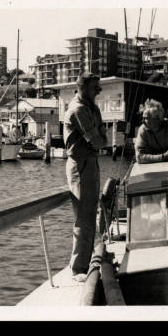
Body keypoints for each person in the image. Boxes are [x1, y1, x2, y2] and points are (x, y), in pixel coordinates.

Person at [63, 72, 107, 282]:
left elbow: (102, 140)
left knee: (90, 215)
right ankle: (78, 268)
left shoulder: (92, 107)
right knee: (84, 216)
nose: (99, 90)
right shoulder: (79, 109)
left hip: (90, 163)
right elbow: (98, 141)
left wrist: (99, 137)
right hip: (80, 165)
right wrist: (98, 136)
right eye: (94, 87)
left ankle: (85, 262)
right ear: (82, 88)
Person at [134, 99, 168, 164]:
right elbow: (139, 157)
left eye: (146, 118)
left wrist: (151, 158)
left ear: (158, 119)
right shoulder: (142, 130)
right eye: (143, 117)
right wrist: (162, 157)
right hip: (153, 169)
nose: (142, 121)